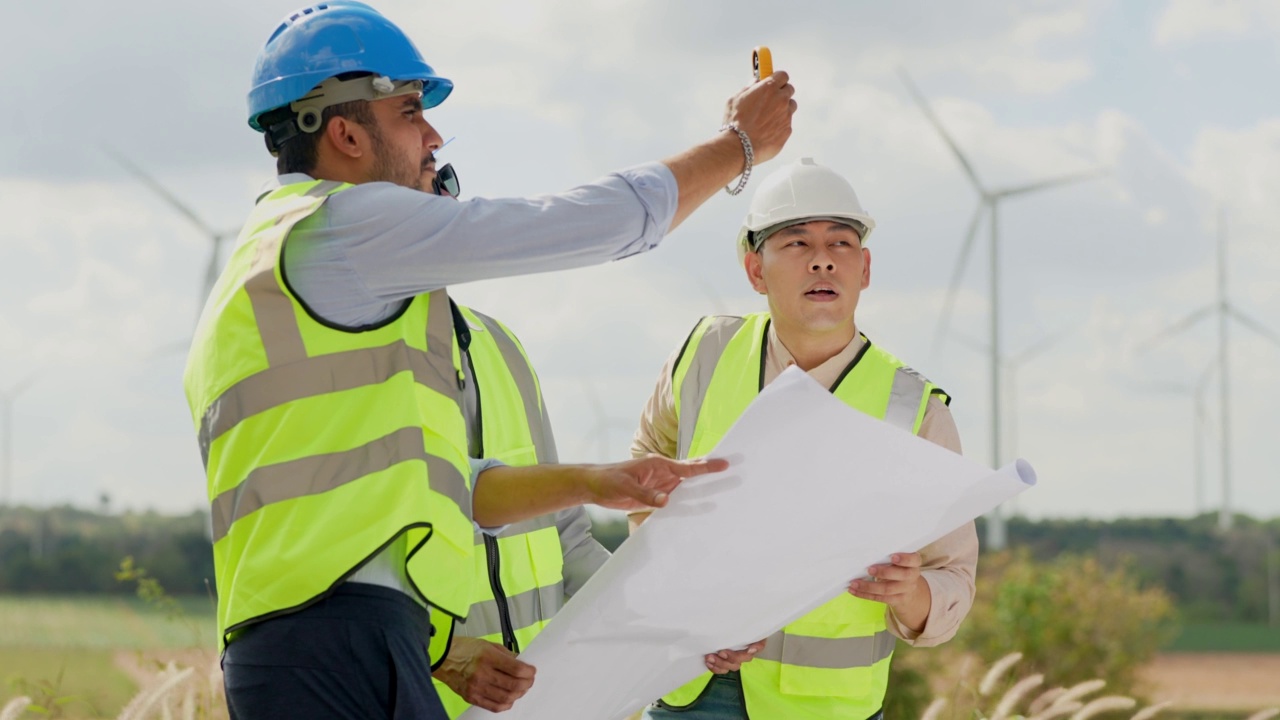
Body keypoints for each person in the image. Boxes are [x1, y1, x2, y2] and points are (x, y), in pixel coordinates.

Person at [181, 2, 795, 717]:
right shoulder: (342, 228)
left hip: (331, 643)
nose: (435, 135)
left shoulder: (271, 270)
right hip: (333, 643)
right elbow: (584, 224)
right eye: (411, 110)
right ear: (345, 132)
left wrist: (598, 482)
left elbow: (416, 483)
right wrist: (739, 146)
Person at [629, 158, 979, 720]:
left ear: (864, 268)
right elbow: (645, 471)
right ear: (754, 269)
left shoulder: (914, 409)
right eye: (795, 243)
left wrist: (908, 592)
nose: (822, 258)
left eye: (841, 242)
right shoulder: (703, 354)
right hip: (687, 683)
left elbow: (954, 578)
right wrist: (679, 587)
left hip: (827, 708)